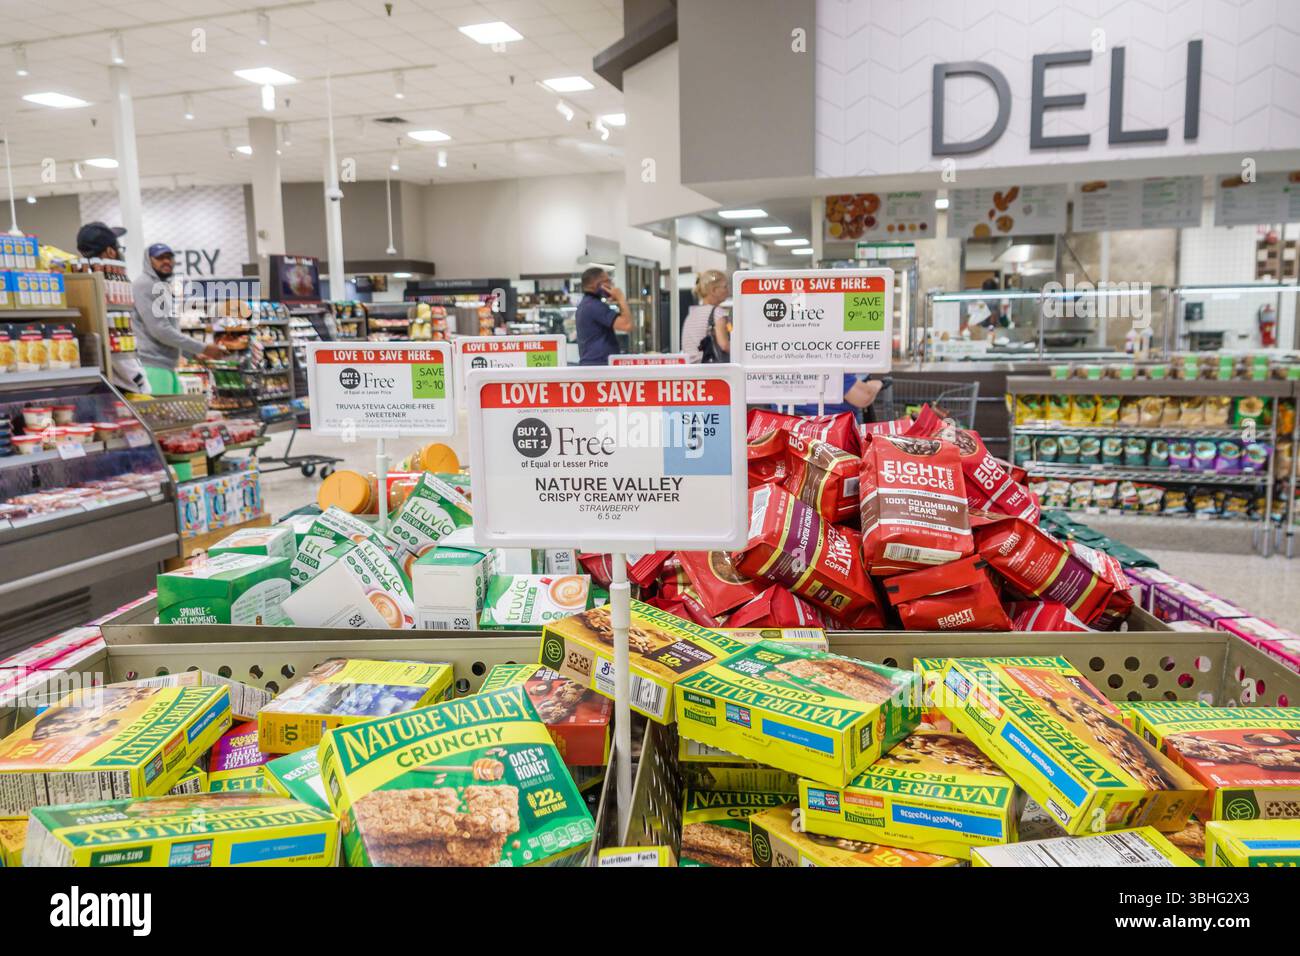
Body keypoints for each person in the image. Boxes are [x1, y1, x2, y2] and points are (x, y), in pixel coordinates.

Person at [131, 242, 224, 393]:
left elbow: (170, 329)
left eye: (169, 257)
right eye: (160, 258)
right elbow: (161, 330)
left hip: (165, 366)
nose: (166, 261)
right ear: (149, 261)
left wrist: (192, 353)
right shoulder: (145, 284)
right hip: (153, 367)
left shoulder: (162, 286)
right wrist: (204, 348)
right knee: (162, 415)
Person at [575, 266, 631, 365]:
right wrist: (621, 298)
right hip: (599, 366)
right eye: (607, 281)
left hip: (594, 364)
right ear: (597, 284)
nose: (611, 285)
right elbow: (627, 325)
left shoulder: (587, 304)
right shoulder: (594, 306)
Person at [682, 269, 730, 363]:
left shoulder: (691, 314)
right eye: (725, 287)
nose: (728, 290)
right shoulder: (717, 312)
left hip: (691, 369)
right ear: (713, 290)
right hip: (711, 370)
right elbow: (724, 345)